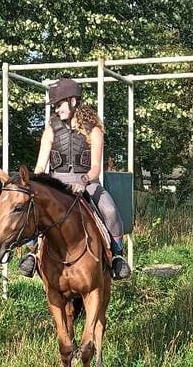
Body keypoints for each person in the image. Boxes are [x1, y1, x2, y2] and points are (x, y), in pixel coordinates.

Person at [19, 78, 132, 280]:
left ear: (72, 101)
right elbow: (39, 165)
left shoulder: (94, 130)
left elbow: (96, 167)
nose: (56, 109)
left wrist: (84, 180)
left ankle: (116, 255)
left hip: (86, 182)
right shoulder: (50, 129)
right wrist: (35, 181)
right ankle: (31, 253)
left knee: (110, 210)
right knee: (32, 206)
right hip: (56, 183)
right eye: (55, 105)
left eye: (59, 104)